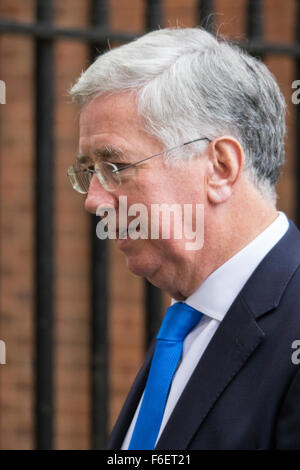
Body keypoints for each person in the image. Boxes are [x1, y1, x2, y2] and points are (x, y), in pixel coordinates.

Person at [69, 27, 300, 449]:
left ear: (220, 167)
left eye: (115, 167)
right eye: (89, 172)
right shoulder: (186, 321)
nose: (94, 200)